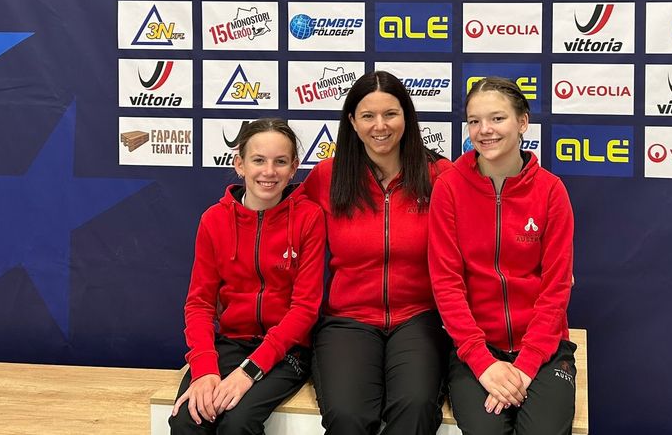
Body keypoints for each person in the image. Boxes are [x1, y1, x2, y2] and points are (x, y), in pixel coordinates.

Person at [295, 70, 453, 435]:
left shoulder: (439, 175)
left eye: (390, 114)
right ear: (352, 121)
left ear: (407, 118)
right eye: (367, 116)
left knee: (415, 407)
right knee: (348, 415)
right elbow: (282, 224)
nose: (379, 126)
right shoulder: (328, 176)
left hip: (419, 318)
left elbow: (486, 220)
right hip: (347, 319)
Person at [429, 77, 576, 434]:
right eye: (475, 121)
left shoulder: (551, 192)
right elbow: (447, 285)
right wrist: (482, 362)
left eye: (497, 118)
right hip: (475, 351)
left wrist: (525, 367)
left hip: (543, 350)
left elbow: (556, 288)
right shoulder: (448, 189)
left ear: (522, 122)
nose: (484, 131)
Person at [169, 118, 325, 434]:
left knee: (238, 423)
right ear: (239, 164)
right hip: (231, 343)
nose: (269, 171)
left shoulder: (309, 218)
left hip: (287, 351)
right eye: (258, 160)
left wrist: (249, 371)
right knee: (190, 418)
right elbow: (199, 305)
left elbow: (304, 310)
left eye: (280, 162)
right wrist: (203, 370)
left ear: (294, 167)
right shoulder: (214, 220)